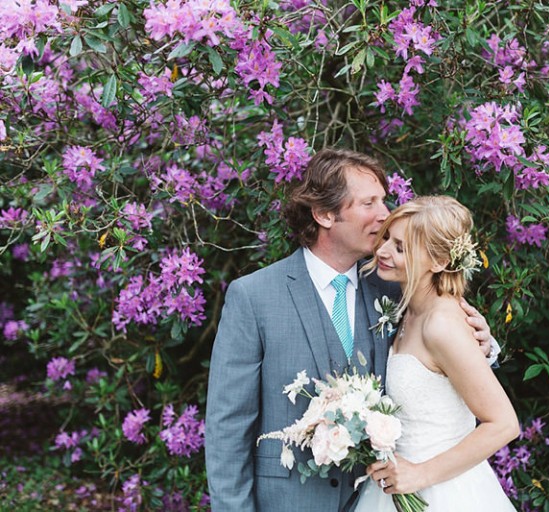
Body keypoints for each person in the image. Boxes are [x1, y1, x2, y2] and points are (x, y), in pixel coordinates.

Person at [205, 148, 496, 512]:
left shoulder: (398, 285)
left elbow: (438, 359)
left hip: (380, 498)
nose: (384, 215)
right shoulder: (254, 297)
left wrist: (484, 344)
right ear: (325, 214)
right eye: (369, 203)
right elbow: (228, 427)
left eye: (384, 201)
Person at [354, 196, 520, 511]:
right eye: (387, 237)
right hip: (394, 488)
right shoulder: (408, 309)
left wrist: (420, 474)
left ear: (440, 261)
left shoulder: (441, 323)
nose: (384, 250)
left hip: (444, 493)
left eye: (401, 248)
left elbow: (504, 423)